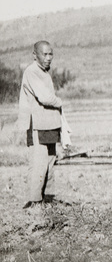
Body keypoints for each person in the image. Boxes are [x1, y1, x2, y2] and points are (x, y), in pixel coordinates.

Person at [17, 41, 63, 209]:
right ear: (34, 55)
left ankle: (48, 199)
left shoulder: (44, 73)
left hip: (49, 124)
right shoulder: (32, 72)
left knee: (50, 163)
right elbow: (45, 97)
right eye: (44, 54)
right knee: (39, 164)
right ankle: (35, 201)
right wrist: (60, 102)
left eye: (51, 54)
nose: (48, 58)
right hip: (37, 125)